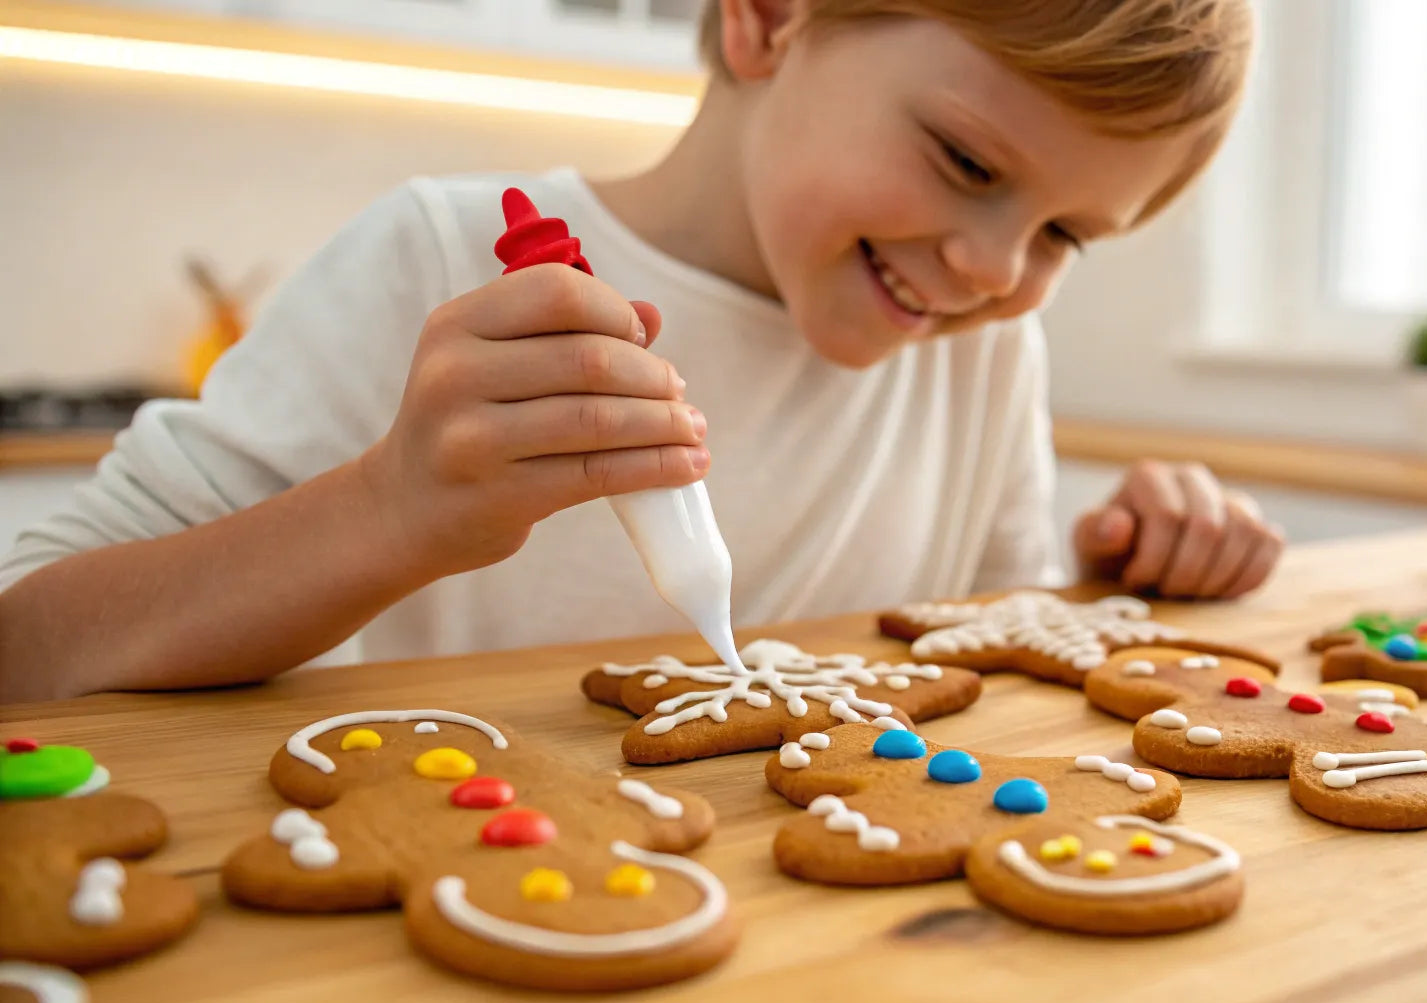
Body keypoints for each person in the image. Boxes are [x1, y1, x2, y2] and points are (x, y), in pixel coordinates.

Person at [0, 0, 1280, 703]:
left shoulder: (983, 358)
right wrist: (386, 510)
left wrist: (1114, 574)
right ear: (769, 20)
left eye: (1064, 234)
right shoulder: (435, 263)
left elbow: (979, 656)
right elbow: (31, 649)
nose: (997, 271)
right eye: (965, 162)